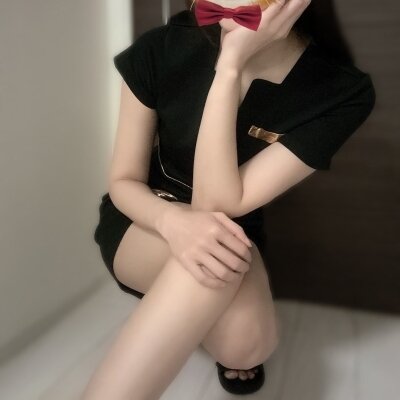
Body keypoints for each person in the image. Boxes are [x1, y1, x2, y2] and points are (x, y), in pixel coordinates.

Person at [84, 0, 376, 398]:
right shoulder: (161, 48)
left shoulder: (341, 90)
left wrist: (230, 68)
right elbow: (123, 182)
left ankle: (186, 310)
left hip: (233, 227)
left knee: (245, 347)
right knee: (209, 258)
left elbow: (216, 205)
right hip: (145, 215)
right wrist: (172, 221)